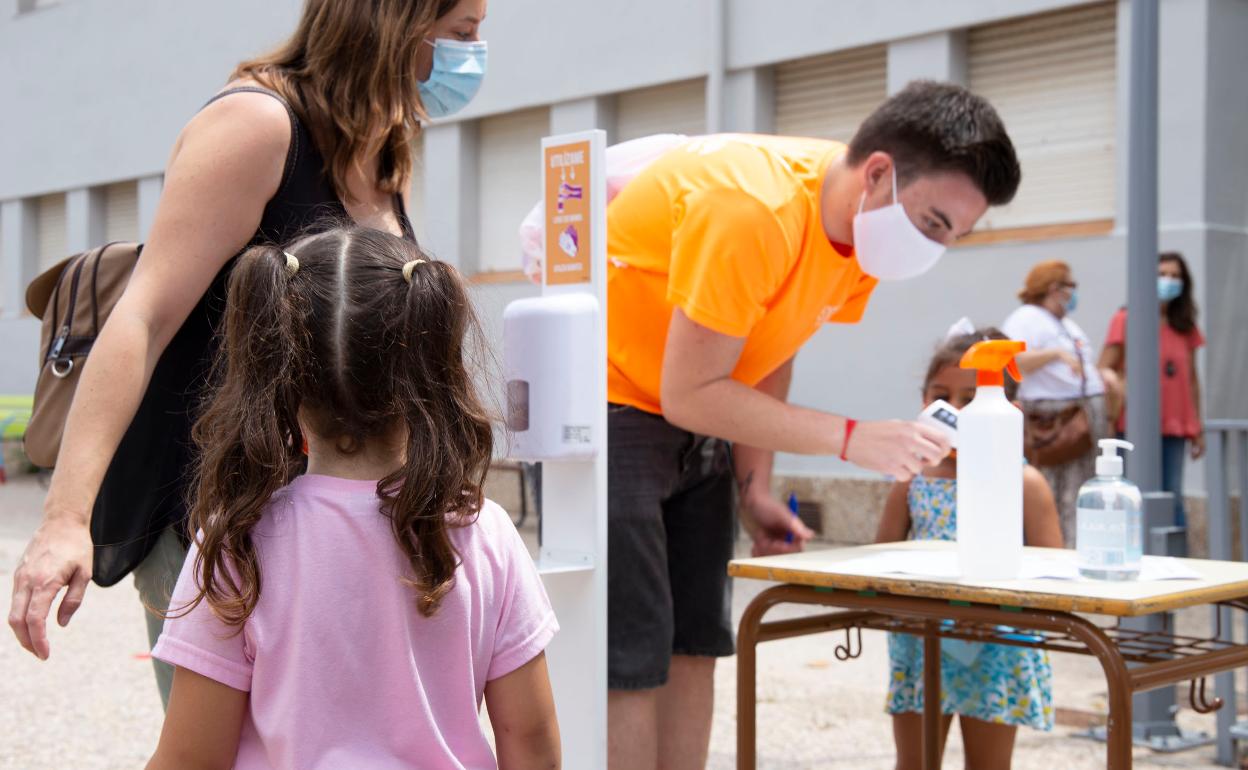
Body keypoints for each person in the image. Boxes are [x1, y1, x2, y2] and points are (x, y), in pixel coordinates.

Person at [8, 0, 488, 709]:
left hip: (341, 519)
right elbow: (142, 317)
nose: (474, 56)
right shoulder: (257, 125)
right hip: (220, 529)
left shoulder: (383, 150)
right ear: (397, 22)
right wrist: (63, 521)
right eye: (464, 34)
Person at [604, 80, 1021, 769]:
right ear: (880, 174)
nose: (934, 248)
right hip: (613, 408)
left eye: (955, 236)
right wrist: (854, 438)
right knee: (632, 654)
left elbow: (771, 347)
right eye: (934, 223)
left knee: (697, 645)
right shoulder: (754, 210)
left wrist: (754, 484)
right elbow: (690, 391)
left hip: (698, 421)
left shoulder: (860, 232)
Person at [143, 228, 559, 769]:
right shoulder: (483, 531)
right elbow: (532, 744)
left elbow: (190, 760)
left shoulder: (238, 541)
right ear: (430, 369)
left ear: (276, 375)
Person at [876, 327, 1063, 770]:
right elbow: (880, 556)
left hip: (998, 646)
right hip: (921, 641)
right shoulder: (911, 478)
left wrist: (997, 611)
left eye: (968, 399)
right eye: (940, 396)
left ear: (1008, 411)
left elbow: (1054, 572)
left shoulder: (1024, 483)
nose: (954, 411)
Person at [1002, 260, 1109, 544]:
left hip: (1081, 414)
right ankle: (1056, 546)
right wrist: (1054, 355)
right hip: (1052, 418)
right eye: (1070, 286)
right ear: (1054, 288)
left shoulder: (1064, 323)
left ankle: (1076, 543)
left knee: (1078, 489)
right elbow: (1013, 361)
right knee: (1057, 489)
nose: (1073, 294)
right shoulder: (1026, 318)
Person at [1098, 252, 1206, 527]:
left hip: (1175, 425)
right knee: (1131, 495)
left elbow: (1191, 379)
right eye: (1162, 274)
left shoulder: (1185, 326)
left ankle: (1175, 557)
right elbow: (1104, 368)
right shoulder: (1125, 319)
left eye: (1175, 276)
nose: (1168, 280)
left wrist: (1197, 426)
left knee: (1173, 495)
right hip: (1132, 425)